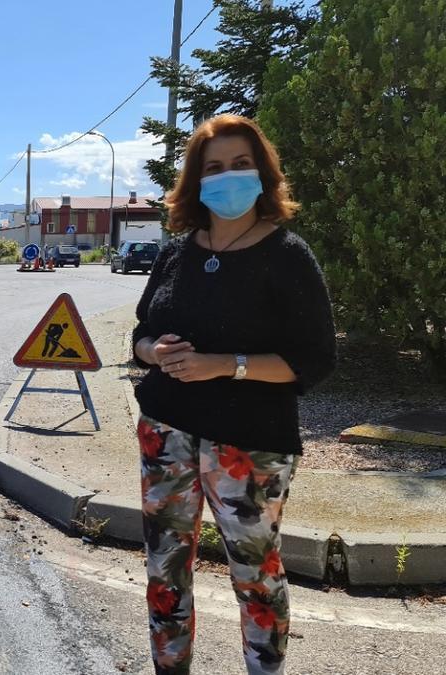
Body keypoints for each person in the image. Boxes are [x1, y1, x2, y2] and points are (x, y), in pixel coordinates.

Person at [130, 114, 335, 675]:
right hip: (165, 431)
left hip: (249, 444)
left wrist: (226, 365)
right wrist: (155, 351)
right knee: (164, 572)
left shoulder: (288, 254)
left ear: (262, 173)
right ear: (196, 181)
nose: (227, 177)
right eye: (214, 168)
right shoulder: (176, 252)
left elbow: (312, 361)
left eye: (240, 165)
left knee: (254, 575)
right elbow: (140, 332)